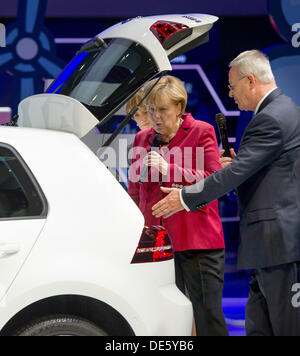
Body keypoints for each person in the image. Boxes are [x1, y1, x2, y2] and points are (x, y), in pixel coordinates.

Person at [152, 50, 300, 336]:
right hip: (270, 247)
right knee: (260, 327)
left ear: (250, 81)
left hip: (281, 245)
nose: (230, 94)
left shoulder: (272, 117)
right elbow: (260, 173)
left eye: (232, 87)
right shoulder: (278, 112)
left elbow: (233, 174)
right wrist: (241, 167)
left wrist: (183, 198)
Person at [128, 75, 229, 336]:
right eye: (151, 110)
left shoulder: (201, 131)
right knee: (163, 317)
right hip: (157, 245)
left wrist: (169, 168)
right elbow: (136, 191)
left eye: (163, 110)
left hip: (197, 242)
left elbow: (214, 179)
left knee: (206, 317)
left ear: (180, 108)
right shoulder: (142, 139)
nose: (156, 117)